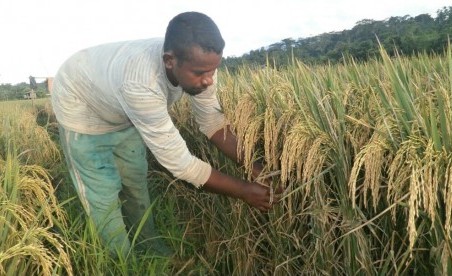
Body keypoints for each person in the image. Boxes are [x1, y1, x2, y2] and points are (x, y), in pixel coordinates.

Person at [51, 11, 280, 258]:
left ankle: (149, 246)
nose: (208, 81)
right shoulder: (141, 83)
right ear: (170, 60)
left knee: (135, 182)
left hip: (121, 108)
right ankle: (121, 261)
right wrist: (244, 190)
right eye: (201, 73)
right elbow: (181, 165)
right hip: (82, 105)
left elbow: (212, 123)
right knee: (103, 195)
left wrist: (253, 166)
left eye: (213, 70)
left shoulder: (200, 63)